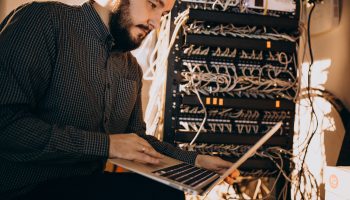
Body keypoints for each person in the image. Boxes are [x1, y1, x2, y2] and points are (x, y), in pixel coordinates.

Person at [0, 0, 239, 199]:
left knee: (168, 194)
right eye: (152, 4)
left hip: (84, 186)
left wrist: (195, 161)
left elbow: (137, 141)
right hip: (23, 189)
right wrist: (106, 145)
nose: (155, 24)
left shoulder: (131, 69)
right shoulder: (43, 21)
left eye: (163, 14)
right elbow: (6, 125)